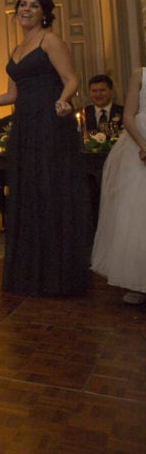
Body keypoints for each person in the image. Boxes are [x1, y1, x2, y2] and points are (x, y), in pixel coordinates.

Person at [0, 0, 90, 297]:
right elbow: (12, 96)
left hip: (50, 123)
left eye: (34, 5)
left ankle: (57, 275)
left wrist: (63, 100)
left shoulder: (49, 40)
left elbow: (72, 78)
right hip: (25, 126)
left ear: (45, 13)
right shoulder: (17, 49)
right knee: (28, 194)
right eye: (22, 5)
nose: (27, 9)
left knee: (48, 192)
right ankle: (31, 272)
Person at [91, 66, 146, 305]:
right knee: (136, 216)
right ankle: (138, 280)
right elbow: (129, 116)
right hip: (139, 143)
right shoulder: (139, 74)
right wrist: (144, 145)